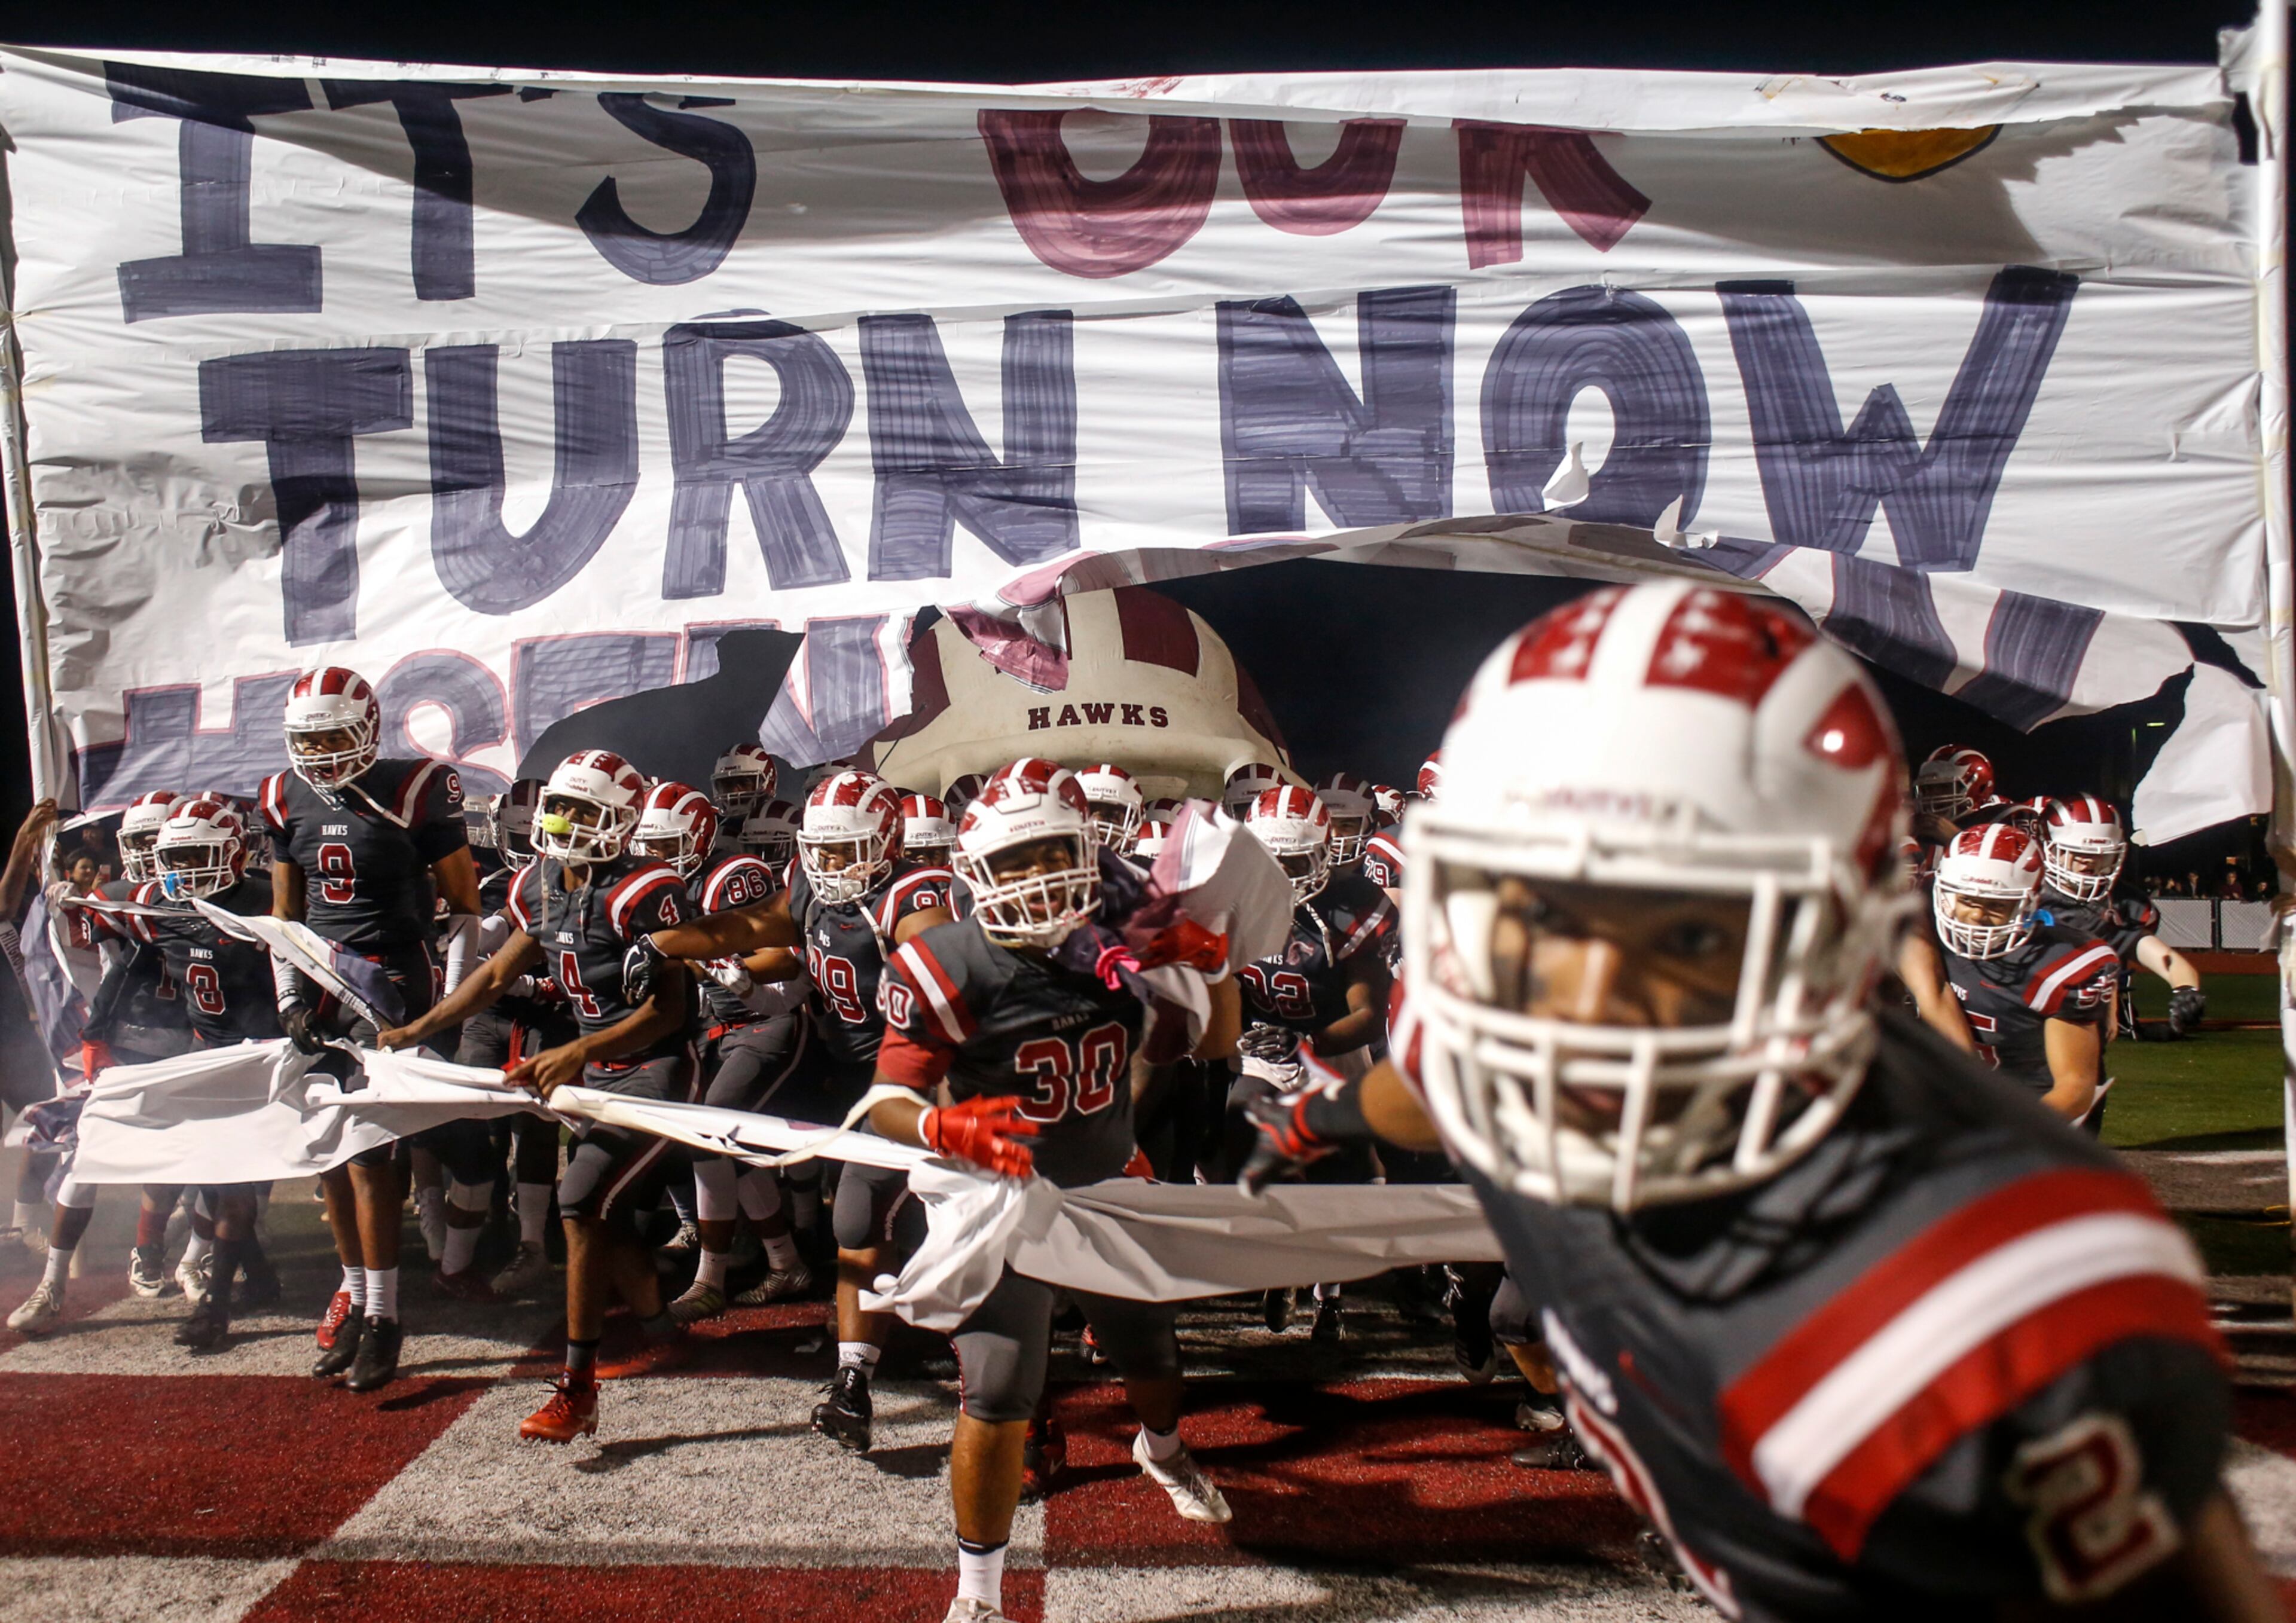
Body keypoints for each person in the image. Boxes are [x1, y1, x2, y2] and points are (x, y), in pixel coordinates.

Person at [1234, 582, 2277, 1621]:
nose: (1590, 993)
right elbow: (1438, 1078)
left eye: (1687, 929)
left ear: (1839, 931)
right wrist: (1315, 1120)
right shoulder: (1490, 1025)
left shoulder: (1991, 1299)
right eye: (1537, 901)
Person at [868, 759, 1238, 1623]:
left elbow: (1208, 1044)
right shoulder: (945, 962)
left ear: (1087, 850)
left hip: (1107, 1181)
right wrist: (937, 1127)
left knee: (1154, 1359)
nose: (1039, 875)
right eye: (1019, 857)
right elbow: (889, 1095)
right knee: (998, 1387)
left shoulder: (1124, 936)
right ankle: (978, 1595)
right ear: (975, 872)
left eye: (1052, 852)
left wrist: (1209, 968)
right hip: (1006, 1196)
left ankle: (1162, 1446)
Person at [376, 750, 697, 1443]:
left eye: (586, 810)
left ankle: (576, 1388)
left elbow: (672, 1011)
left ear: (622, 820)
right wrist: (415, 1030)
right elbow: (493, 978)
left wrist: (580, 1049)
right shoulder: (540, 883)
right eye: (563, 807)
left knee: (580, 1199)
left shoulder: (648, 887)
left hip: (655, 1072)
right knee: (601, 1212)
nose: (568, 821)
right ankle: (662, 1333)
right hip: (597, 1074)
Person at [629, 768, 952, 1452]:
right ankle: (871, 1356)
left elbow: (947, 992)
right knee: (845, 1199)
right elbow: (751, 928)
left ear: (887, 843)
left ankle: (882, 1371)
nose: (831, 865)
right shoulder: (811, 887)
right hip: (841, 1066)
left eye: (846, 850)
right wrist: (664, 942)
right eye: (822, 850)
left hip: (909, 1078)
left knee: (870, 1215)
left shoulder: (913, 900)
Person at [261, 667, 485, 1389]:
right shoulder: (280, 795)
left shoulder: (415, 787)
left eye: (334, 735)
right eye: (310, 738)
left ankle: (386, 1314)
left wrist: (441, 1013)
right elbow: (284, 919)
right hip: (324, 984)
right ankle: (356, 1298)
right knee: (329, 1153)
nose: (322, 750)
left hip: (395, 982)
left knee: (371, 1157)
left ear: (367, 729)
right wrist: (290, 997)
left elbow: (463, 911)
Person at [102, 799, 282, 1350]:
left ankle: (216, 1310)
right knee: (217, 1181)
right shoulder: (162, 901)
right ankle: (260, 1280)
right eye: (178, 857)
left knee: (235, 1189)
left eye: (201, 854)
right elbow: (106, 899)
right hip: (206, 1054)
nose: (190, 869)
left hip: (265, 1059)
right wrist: (68, 896)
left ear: (234, 854)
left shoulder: (268, 900)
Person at [629, 781, 812, 1321]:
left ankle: (713, 1275)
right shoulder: (658, 885)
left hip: (762, 1019)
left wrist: (703, 964)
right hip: (714, 1026)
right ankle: (784, 1260)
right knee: (717, 1137)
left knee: (709, 1133)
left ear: (701, 836)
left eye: (665, 845)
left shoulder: (734, 877)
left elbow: (784, 958)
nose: (655, 857)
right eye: (649, 845)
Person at [1226, 784, 1393, 1340]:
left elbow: (1368, 1014)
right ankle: (1284, 1264)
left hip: (1332, 1053)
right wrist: (1232, 1040)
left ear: (1324, 853)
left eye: (1293, 861)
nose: (1278, 876)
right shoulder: (1225, 900)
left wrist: (1310, 1044)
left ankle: (1329, 1295)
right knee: (1242, 1140)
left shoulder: (1352, 910)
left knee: (1346, 1181)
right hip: (1260, 1052)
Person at [1931, 824, 2118, 1128]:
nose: (1978, 916)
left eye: (1996, 905)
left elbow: (2075, 1089)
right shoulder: (1922, 932)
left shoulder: (2058, 965)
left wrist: (2000, 1134)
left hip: (2035, 1118)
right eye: (1967, 901)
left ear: (2028, 903)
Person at [2037, 796, 2205, 1041]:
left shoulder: (2119, 904)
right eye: (2077, 853)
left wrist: (2186, 990)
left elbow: (2166, 959)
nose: (2090, 862)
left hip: (2076, 1027)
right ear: (2047, 849)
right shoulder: (2022, 893)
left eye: (2100, 854)